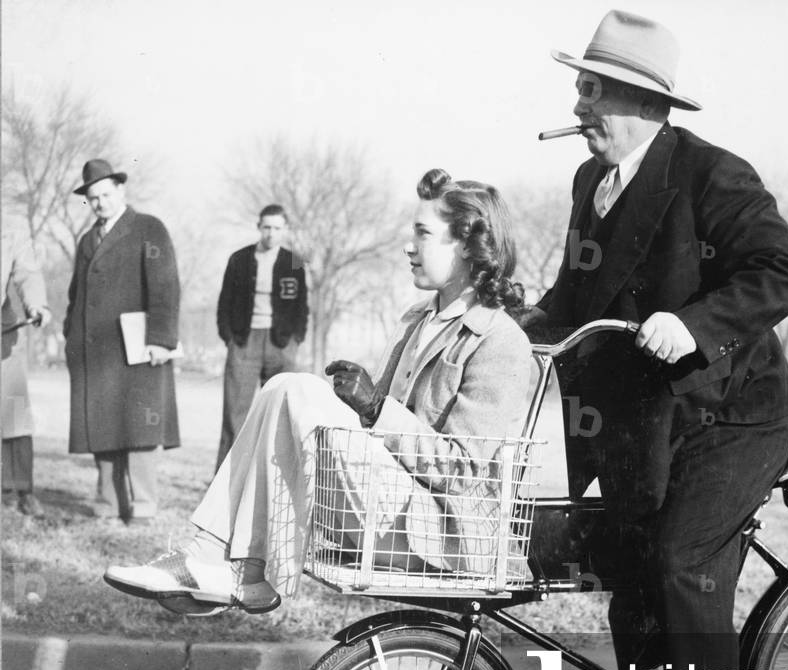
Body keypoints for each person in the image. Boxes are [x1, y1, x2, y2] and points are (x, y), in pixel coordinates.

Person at [526, 11, 788, 670]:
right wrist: (518, 325)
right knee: (631, 586)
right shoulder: (591, 181)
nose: (579, 104)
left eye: (593, 90)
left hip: (733, 414)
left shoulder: (712, 175)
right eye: (579, 87)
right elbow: (574, 293)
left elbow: (786, 270)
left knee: (679, 561)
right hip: (645, 421)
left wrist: (693, 323)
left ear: (643, 102)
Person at [103, 169, 532, 613]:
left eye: (422, 234)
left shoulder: (500, 341)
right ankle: (218, 559)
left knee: (301, 390)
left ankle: (238, 569)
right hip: (385, 511)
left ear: (465, 245)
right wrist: (367, 409)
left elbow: (463, 472)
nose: (409, 245)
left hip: (435, 537)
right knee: (283, 385)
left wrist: (376, 407)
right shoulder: (417, 319)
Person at [64, 159, 181, 523]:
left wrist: (161, 340)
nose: (99, 203)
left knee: (140, 428)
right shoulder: (87, 240)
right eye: (93, 198)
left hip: (138, 349)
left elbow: (165, 287)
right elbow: (75, 296)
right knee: (102, 427)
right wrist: (71, 336)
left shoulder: (149, 229)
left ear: (121, 191)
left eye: (105, 194)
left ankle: (144, 507)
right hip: (96, 352)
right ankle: (108, 506)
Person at [215, 204, 308, 469]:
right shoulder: (239, 259)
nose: (271, 233)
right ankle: (226, 483)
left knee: (281, 415)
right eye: (266, 227)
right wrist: (230, 338)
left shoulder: (294, 261)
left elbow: (302, 307)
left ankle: (273, 483)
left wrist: (295, 340)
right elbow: (224, 303)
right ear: (258, 227)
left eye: (277, 228)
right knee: (236, 415)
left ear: (285, 230)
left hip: (281, 344)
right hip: (245, 342)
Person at [2, 232, 51, 516]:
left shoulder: (8, 228)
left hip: (3, 333)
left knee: (15, 412)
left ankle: (20, 490)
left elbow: (28, 272)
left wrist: (36, 304)